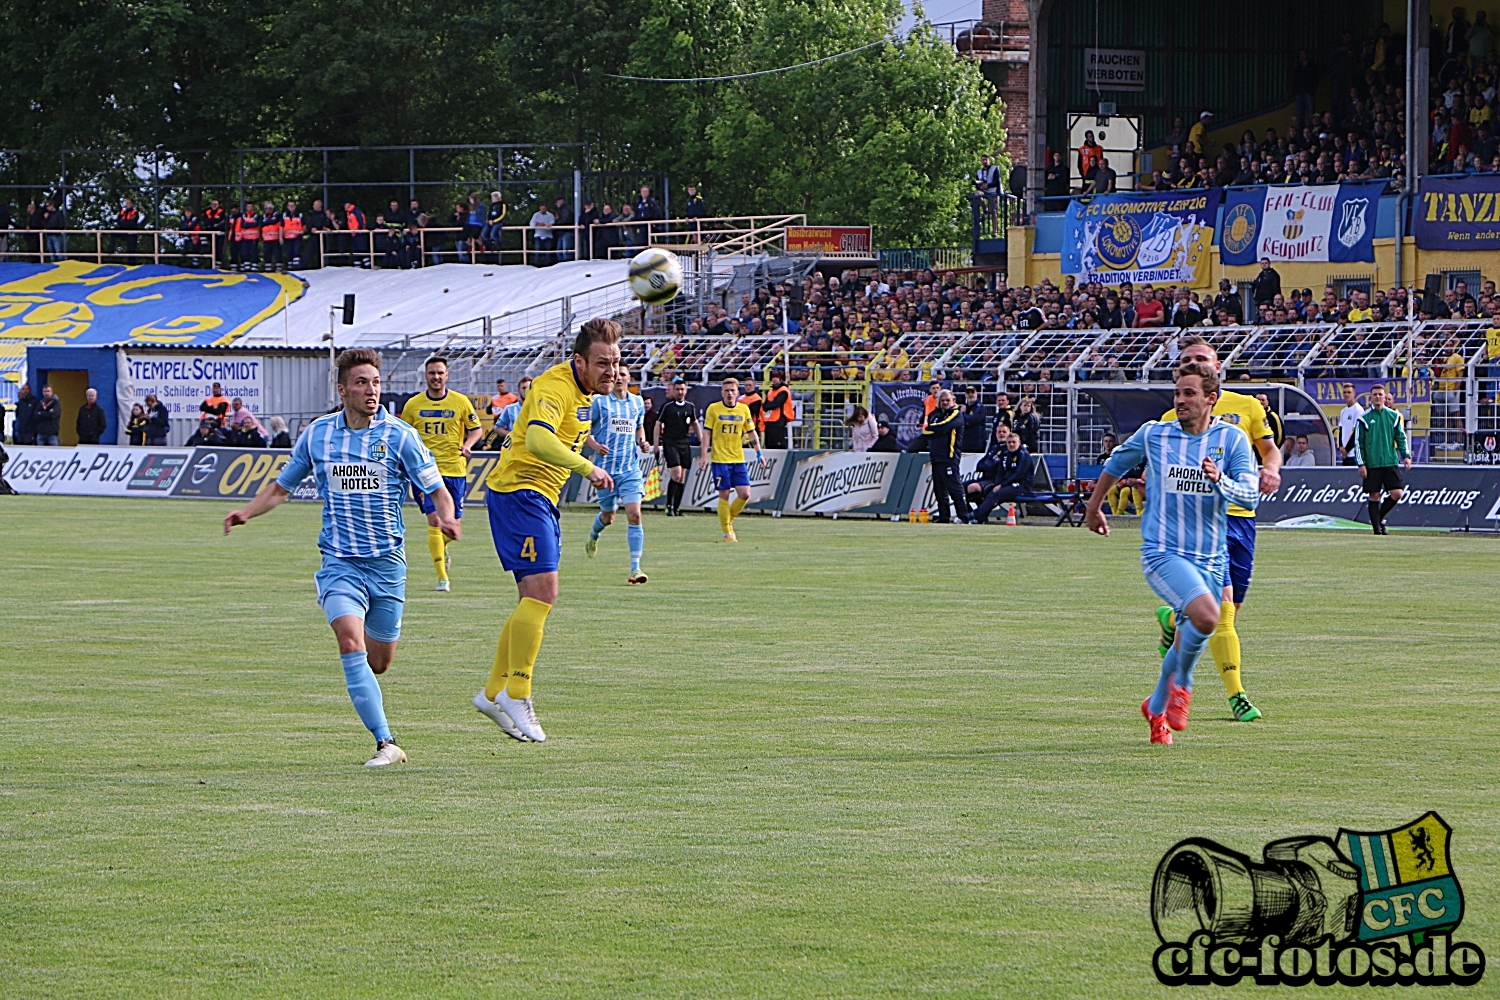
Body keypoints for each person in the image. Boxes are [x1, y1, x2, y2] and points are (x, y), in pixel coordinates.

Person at [224, 348, 459, 767]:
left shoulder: (399, 436)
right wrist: (246, 512)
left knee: (379, 662)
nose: (371, 391)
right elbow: (281, 488)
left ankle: (378, 712)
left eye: (376, 383)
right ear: (342, 389)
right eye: (361, 383)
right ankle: (386, 742)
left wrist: (447, 516)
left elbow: (436, 487)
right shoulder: (318, 435)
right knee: (349, 641)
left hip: (387, 565)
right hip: (339, 562)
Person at [1088, 360, 1260, 745]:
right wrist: (1093, 506)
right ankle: (1183, 685)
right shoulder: (1155, 435)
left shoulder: (1232, 441)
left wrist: (1223, 481)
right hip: (1163, 551)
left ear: (1210, 399)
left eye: (1189, 394)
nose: (1179, 400)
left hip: (1212, 557)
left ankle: (1157, 707)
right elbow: (1116, 463)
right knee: (1207, 615)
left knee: (1190, 632)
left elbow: (1252, 494)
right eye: (1177, 393)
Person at [475, 319, 621, 744]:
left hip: (539, 496)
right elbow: (538, 440)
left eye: (615, 362)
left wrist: (587, 449)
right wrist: (587, 467)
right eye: (602, 363)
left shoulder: (584, 392)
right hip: (522, 491)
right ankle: (518, 691)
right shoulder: (554, 387)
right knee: (544, 594)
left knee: (532, 599)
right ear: (579, 361)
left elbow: (566, 433)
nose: (610, 370)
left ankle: (491, 694)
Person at [1151, 336, 1281, 724]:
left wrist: (1270, 469)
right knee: (1222, 611)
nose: (1192, 363)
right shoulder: (1172, 415)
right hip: (1202, 522)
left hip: (1242, 518)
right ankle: (1236, 696)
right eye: (1185, 359)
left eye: (1200, 358)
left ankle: (1171, 621)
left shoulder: (1246, 407)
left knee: (1227, 612)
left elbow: (1269, 449)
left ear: (1217, 365)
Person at [399, 356, 482, 592]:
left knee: (451, 525)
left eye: (440, 373)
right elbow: (405, 435)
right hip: (424, 471)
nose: (436, 377)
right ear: (425, 376)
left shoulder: (461, 401)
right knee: (435, 521)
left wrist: (468, 445)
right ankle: (442, 577)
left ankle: (440, 548)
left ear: (447, 375)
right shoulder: (413, 405)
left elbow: (476, 429)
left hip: (454, 469)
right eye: (432, 373)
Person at [585, 363, 650, 583]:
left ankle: (635, 568)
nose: (619, 378)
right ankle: (594, 535)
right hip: (606, 472)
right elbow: (581, 430)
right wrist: (595, 446)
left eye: (623, 374)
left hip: (630, 469)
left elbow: (639, 426)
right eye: (615, 375)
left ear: (629, 377)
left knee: (635, 514)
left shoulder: (637, 402)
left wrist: (642, 441)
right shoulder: (599, 402)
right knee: (608, 517)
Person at [699, 378, 763, 542]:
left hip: (738, 459)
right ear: (722, 393)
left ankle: (728, 520)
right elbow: (707, 433)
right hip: (720, 460)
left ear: (737, 393)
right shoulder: (713, 409)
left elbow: (751, 432)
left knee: (745, 493)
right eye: (726, 390)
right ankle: (727, 532)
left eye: (732, 390)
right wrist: (704, 455)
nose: (729, 393)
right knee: (725, 495)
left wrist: (759, 453)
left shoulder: (743, 409)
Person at [1353, 383, 1412, 535]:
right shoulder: (1364, 418)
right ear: (1370, 398)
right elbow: (1358, 443)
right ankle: (1376, 529)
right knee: (1374, 495)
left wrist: (1405, 455)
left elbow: (1400, 437)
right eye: (1375, 395)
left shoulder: (1393, 416)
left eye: (1380, 394)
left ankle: (1378, 518)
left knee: (1397, 493)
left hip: (1390, 461)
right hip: (1372, 463)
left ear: (1385, 397)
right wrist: (1361, 464)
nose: (1378, 397)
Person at [922, 388, 970, 524]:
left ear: (953, 400)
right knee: (939, 490)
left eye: (947, 400)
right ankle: (944, 516)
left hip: (949, 457)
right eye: (942, 400)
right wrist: (935, 430)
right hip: (936, 457)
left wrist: (934, 429)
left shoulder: (956, 414)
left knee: (954, 488)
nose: (945, 402)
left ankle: (963, 516)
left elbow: (945, 426)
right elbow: (925, 432)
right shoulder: (934, 415)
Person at [654, 376, 699, 515]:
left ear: (686, 391)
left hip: (684, 443)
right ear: (673, 391)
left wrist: (702, 441)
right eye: (677, 389)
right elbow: (657, 424)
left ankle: (676, 508)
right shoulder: (667, 407)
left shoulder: (690, 407)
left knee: (682, 477)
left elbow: (695, 423)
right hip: (670, 442)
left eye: (682, 389)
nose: (680, 392)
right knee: (677, 473)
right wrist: (656, 444)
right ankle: (668, 506)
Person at [971, 431, 1032, 524]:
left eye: (1013, 442)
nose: (1011, 444)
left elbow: (1018, 474)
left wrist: (1002, 485)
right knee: (989, 491)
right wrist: (998, 484)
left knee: (997, 494)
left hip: (1022, 485)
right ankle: (980, 518)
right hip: (1007, 484)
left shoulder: (1024, 455)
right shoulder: (1006, 454)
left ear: (1019, 443)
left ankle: (974, 515)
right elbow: (1000, 472)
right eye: (1009, 442)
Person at [486, 376, 531, 448]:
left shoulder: (512, 397)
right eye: (523, 388)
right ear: (518, 390)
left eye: (528, 388)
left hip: (533, 450)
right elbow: (488, 411)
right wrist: (513, 434)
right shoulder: (497, 399)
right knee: (489, 444)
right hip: (514, 447)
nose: (526, 390)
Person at [761, 372, 794, 449]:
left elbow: (775, 403)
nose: (774, 379)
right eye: (773, 377)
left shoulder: (783, 390)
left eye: (776, 377)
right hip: (770, 419)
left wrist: (767, 406)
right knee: (769, 442)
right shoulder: (771, 391)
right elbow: (766, 405)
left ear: (780, 378)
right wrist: (767, 406)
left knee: (778, 441)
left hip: (780, 418)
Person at [1336, 382, 1365, 465]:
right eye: (1344, 392)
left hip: (1354, 454)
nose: (1346, 394)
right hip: (1345, 454)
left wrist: (1347, 450)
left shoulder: (1358, 410)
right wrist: (1341, 447)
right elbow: (1340, 429)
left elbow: (1356, 432)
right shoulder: (1343, 411)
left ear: (1354, 393)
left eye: (1349, 392)